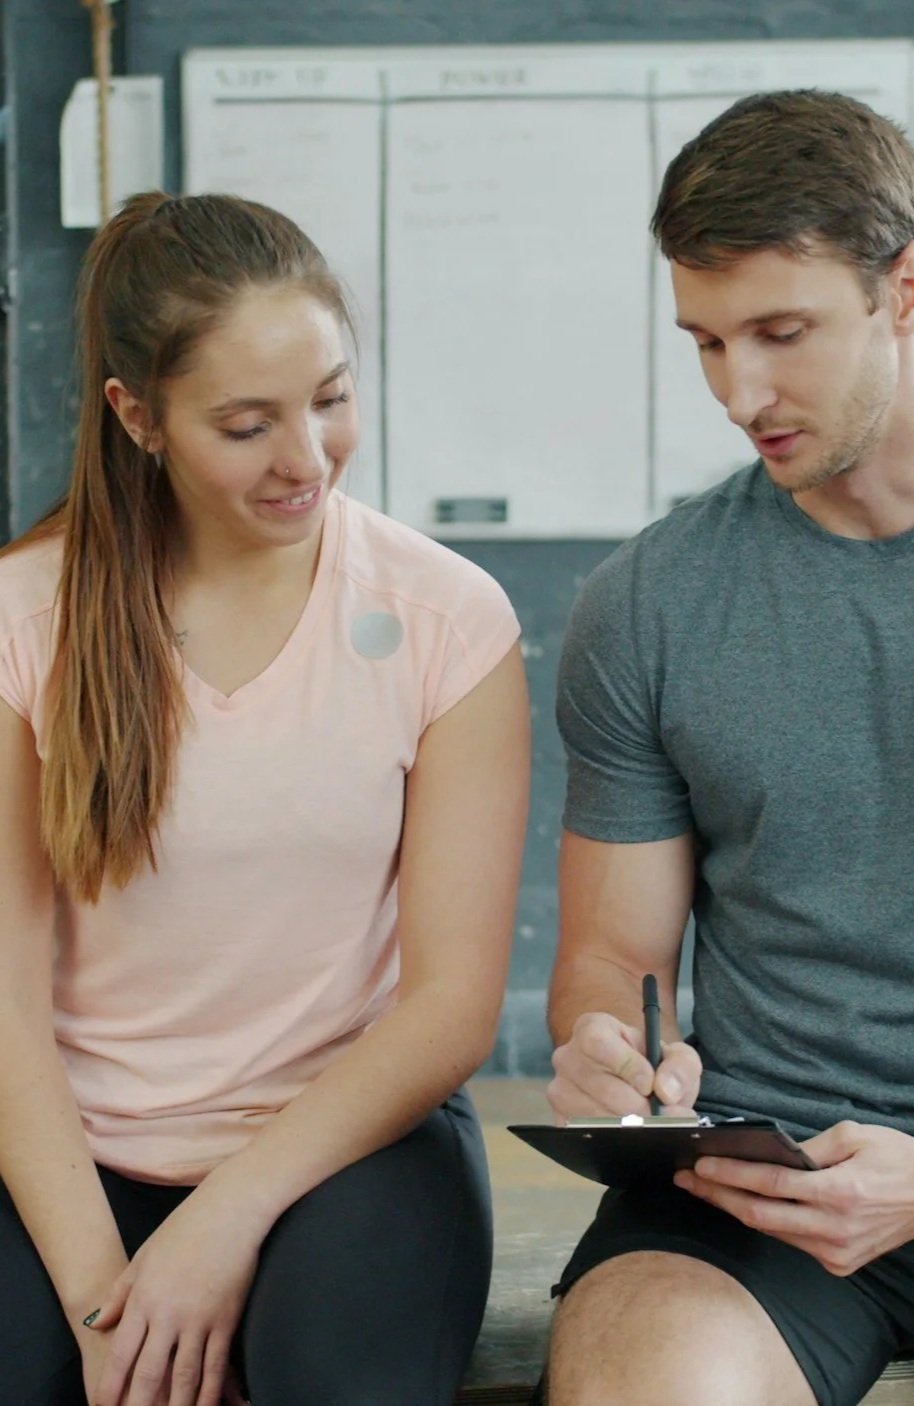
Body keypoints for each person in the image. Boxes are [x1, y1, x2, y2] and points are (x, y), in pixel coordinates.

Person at [540, 89, 914, 1406]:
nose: (739, 391)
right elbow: (615, 955)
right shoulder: (649, 602)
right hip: (760, 1188)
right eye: (705, 342)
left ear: (906, 288)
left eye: (781, 332)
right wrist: (602, 1038)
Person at [0, 191, 530, 1406]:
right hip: (66, 1146)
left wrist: (222, 1219)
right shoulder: (24, 620)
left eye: (330, 398)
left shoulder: (449, 619)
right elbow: (5, 1002)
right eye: (248, 425)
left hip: (346, 1144)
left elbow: (450, 1004)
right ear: (138, 417)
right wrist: (103, 1298)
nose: (308, 456)